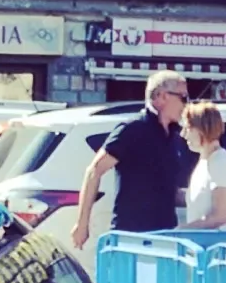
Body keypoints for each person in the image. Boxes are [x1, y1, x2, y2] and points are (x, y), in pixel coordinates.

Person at [71, 70, 191, 255]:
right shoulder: (133, 129)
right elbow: (94, 171)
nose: (187, 104)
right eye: (183, 97)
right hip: (131, 238)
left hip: (164, 238)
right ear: (161, 97)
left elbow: (167, 187)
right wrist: (82, 223)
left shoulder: (175, 136)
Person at [178, 101, 226, 230]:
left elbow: (220, 217)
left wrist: (183, 230)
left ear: (202, 129)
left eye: (187, 128)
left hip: (217, 246)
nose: (183, 134)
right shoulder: (204, 161)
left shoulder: (221, 162)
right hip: (201, 246)